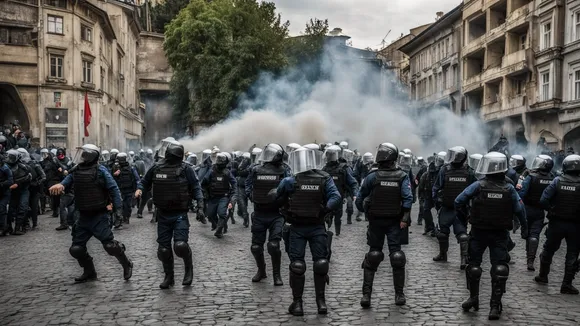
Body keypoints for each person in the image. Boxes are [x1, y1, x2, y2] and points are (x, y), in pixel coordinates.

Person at [455, 152, 527, 320]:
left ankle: (473, 298)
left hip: (479, 231)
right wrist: (524, 228)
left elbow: (459, 200)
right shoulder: (509, 188)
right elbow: (520, 210)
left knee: (473, 266)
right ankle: (494, 306)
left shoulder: (478, 186)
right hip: (500, 233)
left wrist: (465, 216)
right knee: (499, 268)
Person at [49, 144, 133, 283]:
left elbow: (114, 189)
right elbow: (66, 181)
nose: (82, 157)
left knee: (110, 246)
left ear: (90, 157)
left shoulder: (101, 171)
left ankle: (126, 263)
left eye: (84, 154)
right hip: (83, 216)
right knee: (76, 248)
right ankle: (89, 271)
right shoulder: (76, 171)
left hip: (99, 215)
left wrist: (118, 210)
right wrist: (60, 185)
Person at [275, 147, 341, 316]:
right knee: (320, 263)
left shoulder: (290, 180)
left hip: (297, 227)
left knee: (297, 265)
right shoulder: (324, 178)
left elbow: (276, 197)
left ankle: (298, 304)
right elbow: (336, 197)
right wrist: (324, 209)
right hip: (317, 226)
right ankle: (321, 303)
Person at [136, 140, 203, 289]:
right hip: (163, 214)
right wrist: (140, 189)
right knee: (163, 249)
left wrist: (200, 206)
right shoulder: (156, 168)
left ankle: (188, 269)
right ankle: (169, 276)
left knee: (180, 245)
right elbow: (145, 181)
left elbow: (196, 187)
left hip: (180, 213)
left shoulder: (186, 169)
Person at [355, 143, 412, 308]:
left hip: (378, 222)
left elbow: (360, 198)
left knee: (374, 255)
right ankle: (399, 295)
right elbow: (408, 199)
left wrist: (366, 211)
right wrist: (405, 218)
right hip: (394, 222)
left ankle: (366, 296)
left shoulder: (372, 177)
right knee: (397, 257)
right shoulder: (401, 176)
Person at [245, 144, 291, 286]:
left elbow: (290, 186)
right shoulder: (256, 170)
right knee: (256, 247)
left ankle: (277, 275)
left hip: (276, 213)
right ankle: (261, 270)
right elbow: (248, 184)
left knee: (273, 245)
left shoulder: (285, 170)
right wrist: (251, 196)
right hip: (259, 212)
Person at [535, 154, 580, 295]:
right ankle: (566, 284)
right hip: (575, 225)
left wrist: (552, 210)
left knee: (549, 249)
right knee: (572, 254)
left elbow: (543, 200)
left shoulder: (557, 181)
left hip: (556, 222)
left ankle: (543, 276)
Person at [432, 146, 476, 269]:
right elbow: (475, 190)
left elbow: (436, 188)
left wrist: (437, 203)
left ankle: (454, 256)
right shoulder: (467, 171)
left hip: (453, 208)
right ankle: (453, 256)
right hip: (455, 208)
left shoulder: (447, 170)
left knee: (451, 233)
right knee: (453, 233)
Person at [517, 155, 554, 271]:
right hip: (540, 210)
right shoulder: (553, 178)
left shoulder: (531, 177)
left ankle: (529, 256)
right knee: (535, 235)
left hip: (527, 208)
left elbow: (522, 192)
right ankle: (531, 261)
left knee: (527, 233)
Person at [321, 145, 357, 237]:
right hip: (330, 198)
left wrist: (354, 194)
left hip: (337, 197)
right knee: (329, 216)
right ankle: (329, 232)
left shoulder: (342, 169)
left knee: (336, 217)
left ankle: (336, 232)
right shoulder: (325, 169)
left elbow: (352, 182)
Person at [201, 153, 236, 238]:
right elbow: (204, 182)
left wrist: (233, 197)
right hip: (213, 197)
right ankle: (219, 225)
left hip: (223, 197)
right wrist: (205, 193)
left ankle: (219, 230)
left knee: (221, 213)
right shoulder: (211, 171)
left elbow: (234, 183)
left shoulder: (227, 172)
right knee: (210, 214)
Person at [17, 148, 45, 230]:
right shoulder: (19, 164)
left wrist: (37, 183)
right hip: (24, 188)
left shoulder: (34, 163)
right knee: (24, 207)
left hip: (34, 189)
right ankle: (25, 223)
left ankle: (35, 223)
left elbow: (43, 176)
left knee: (34, 207)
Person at [5, 149, 31, 235]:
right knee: (11, 210)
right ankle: (8, 227)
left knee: (22, 208)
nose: (9, 159)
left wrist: (17, 183)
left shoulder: (24, 167)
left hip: (23, 190)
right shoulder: (6, 167)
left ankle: (18, 227)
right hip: (13, 191)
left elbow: (29, 177)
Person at [112, 153, 140, 226]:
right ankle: (122, 218)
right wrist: (115, 175)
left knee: (127, 205)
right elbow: (112, 179)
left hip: (129, 190)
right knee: (121, 205)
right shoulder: (116, 168)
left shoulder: (131, 168)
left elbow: (137, 178)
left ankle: (126, 217)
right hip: (120, 190)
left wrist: (137, 189)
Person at [0, 154, 13, 236]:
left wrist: (1, 184)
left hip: (4, 192)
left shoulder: (5, 168)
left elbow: (10, 181)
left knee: (2, 208)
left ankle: (2, 228)